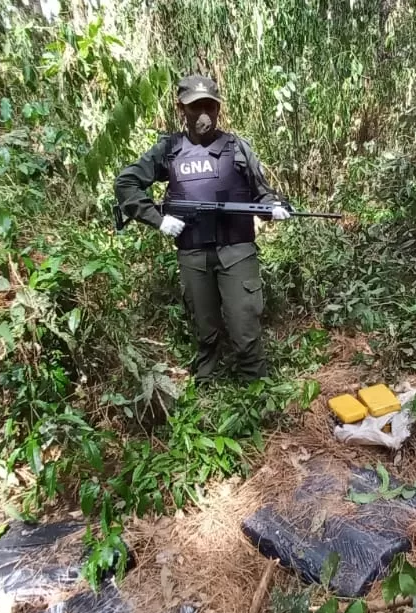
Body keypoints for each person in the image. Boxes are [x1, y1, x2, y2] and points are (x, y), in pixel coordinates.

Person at [114, 74, 289, 383]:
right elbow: (126, 183)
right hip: (193, 254)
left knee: (245, 328)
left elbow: (262, 191)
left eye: (210, 106)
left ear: (219, 108)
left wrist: (272, 208)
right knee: (205, 331)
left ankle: (256, 391)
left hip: (236, 251)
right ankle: (207, 390)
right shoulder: (169, 149)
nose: (204, 115)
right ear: (181, 109)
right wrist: (157, 218)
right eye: (196, 108)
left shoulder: (237, 147)